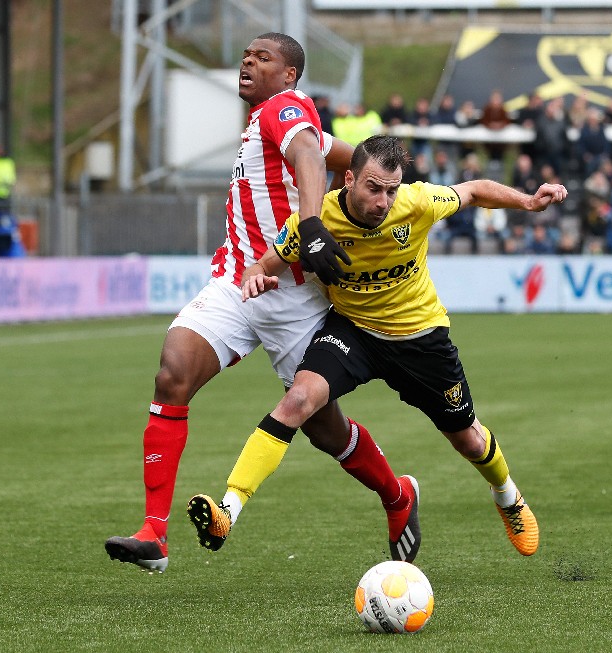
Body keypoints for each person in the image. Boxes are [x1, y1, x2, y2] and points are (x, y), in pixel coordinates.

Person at [186, 135, 568, 561]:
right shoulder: (317, 220)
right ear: (349, 179)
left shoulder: (417, 203)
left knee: (470, 442)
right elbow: (263, 263)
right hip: (354, 333)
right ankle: (229, 510)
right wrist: (255, 275)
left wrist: (528, 202)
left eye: (391, 190)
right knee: (299, 399)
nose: (383, 201)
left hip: (420, 337)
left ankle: (507, 496)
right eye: (373, 188)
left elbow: (475, 190)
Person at [104, 33, 399, 574]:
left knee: (325, 430)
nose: (248, 61)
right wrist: (360, 181)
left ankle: (397, 495)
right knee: (172, 374)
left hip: (295, 298)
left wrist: (314, 224)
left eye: (263, 57)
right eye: (246, 55)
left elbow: (307, 153)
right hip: (240, 283)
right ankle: (154, 534)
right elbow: (337, 156)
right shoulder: (267, 120)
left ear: (289, 75)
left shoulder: (284, 107)